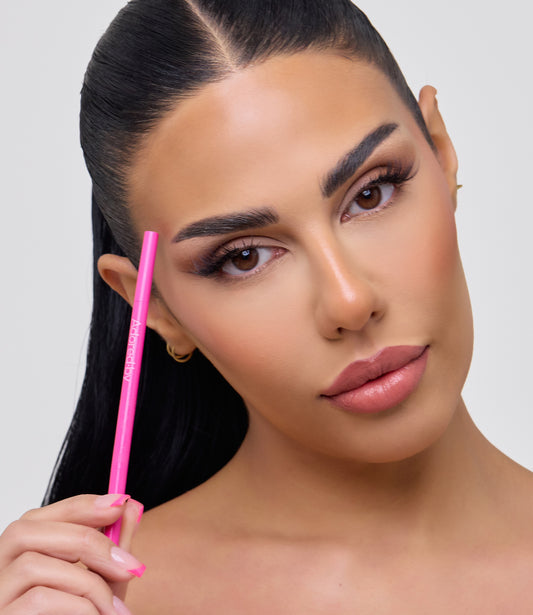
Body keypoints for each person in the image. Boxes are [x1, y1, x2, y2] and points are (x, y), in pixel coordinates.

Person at [1, 0, 532, 612]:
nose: (349, 302)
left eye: (371, 194)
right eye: (245, 257)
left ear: (441, 154)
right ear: (155, 308)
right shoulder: (98, 601)